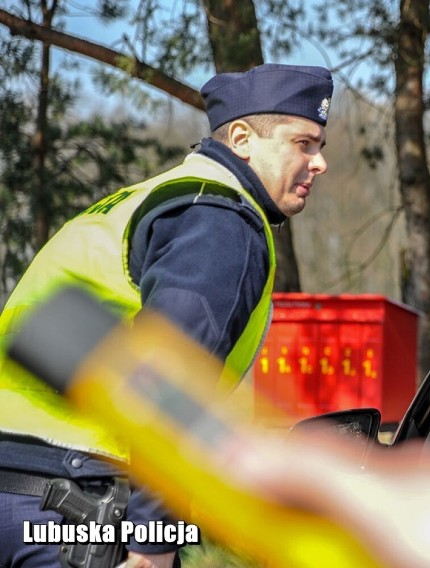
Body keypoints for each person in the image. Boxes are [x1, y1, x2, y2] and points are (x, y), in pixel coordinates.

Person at [0, 63, 333, 567]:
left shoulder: (138, 202)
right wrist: (152, 546)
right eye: (303, 143)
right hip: (71, 506)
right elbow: (168, 380)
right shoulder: (220, 221)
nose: (320, 162)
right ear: (242, 138)